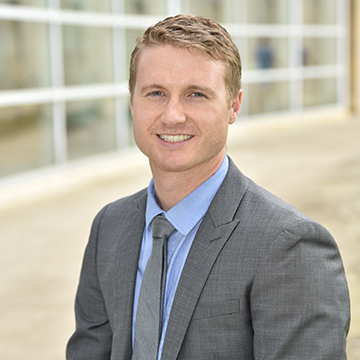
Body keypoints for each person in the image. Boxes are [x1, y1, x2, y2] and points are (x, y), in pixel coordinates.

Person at [66, 14, 350, 360]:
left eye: (196, 95)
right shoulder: (109, 227)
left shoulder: (290, 246)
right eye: (156, 93)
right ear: (132, 101)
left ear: (234, 105)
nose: (172, 116)